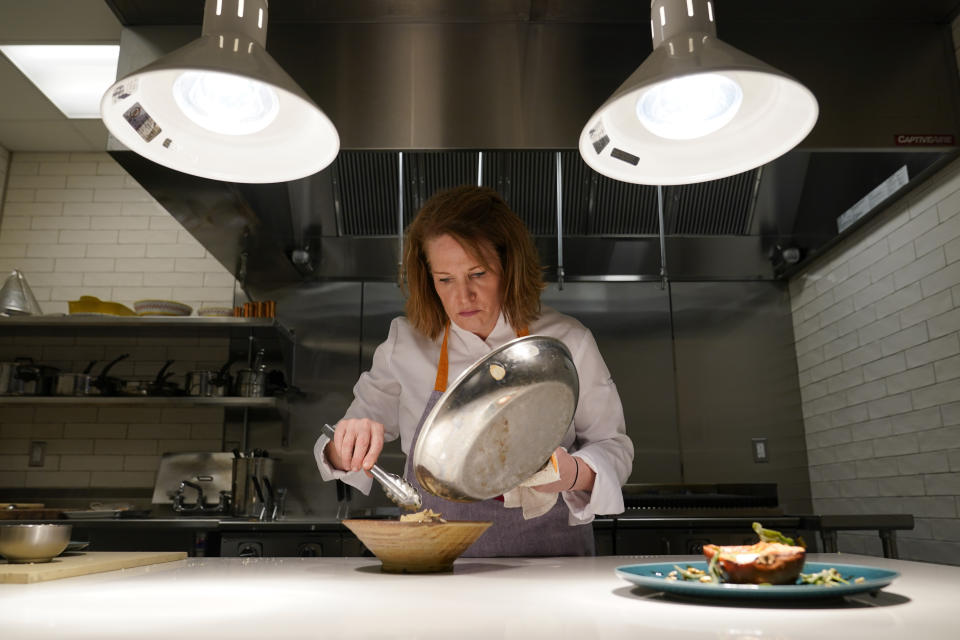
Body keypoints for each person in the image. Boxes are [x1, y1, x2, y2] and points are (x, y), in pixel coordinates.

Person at [314, 185, 634, 556]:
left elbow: (613, 446)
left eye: (478, 274)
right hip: (440, 563)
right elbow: (338, 448)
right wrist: (347, 443)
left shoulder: (568, 340)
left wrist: (575, 473)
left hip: (552, 563)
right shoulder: (405, 342)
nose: (462, 297)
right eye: (444, 279)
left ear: (508, 267)